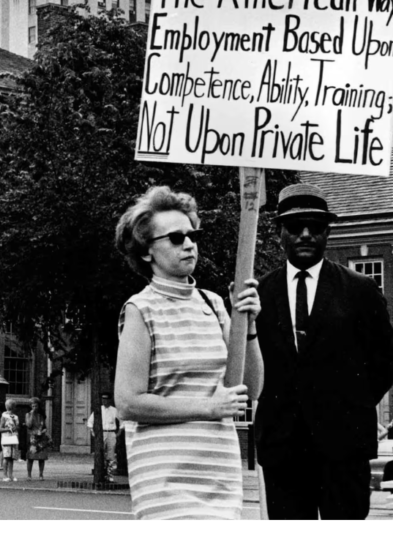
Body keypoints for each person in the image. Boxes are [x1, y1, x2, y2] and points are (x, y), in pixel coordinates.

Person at [114, 185, 263, 521]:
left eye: (192, 235)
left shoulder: (213, 304)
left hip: (220, 477)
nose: (190, 244)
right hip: (166, 482)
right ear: (147, 251)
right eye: (176, 238)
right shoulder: (141, 309)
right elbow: (127, 402)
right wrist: (209, 407)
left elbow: (251, 390)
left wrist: (250, 327)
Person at [253, 183, 393, 521]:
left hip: (344, 448)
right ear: (279, 233)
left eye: (315, 227)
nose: (305, 234)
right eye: (294, 226)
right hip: (282, 449)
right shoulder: (259, 294)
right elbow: (251, 367)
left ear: (327, 233)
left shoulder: (360, 290)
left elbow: (386, 360)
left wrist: (351, 403)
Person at [86, 394, 119, 478]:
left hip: (111, 432)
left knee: (111, 454)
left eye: (106, 400)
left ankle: (110, 474)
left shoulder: (114, 410)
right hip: (102, 433)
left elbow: (122, 421)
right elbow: (90, 422)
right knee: (100, 453)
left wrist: (119, 433)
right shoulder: (99, 410)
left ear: (109, 400)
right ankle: (100, 472)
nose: (105, 401)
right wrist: (92, 432)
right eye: (103, 399)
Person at [25, 398, 50, 479]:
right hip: (32, 438)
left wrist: (43, 431)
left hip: (41, 438)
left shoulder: (41, 416)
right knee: (30, 457)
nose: (34, 408)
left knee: (41, 457)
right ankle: (29, 475)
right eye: (33, 406)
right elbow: (29, 425)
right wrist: (32, 414)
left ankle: (41, 474)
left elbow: (45, 427)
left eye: (36, 406)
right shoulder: (28, 414)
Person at [0, 405, 19, 482]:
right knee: (6, 457)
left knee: (11, 458)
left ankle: (10, 475)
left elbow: (18, 427)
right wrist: (8, 429)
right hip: (6, 438)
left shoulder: (16, 417)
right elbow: (0, 429)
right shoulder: (4, 416)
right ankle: (5, 475)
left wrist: (15, 428)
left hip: (13, 438)